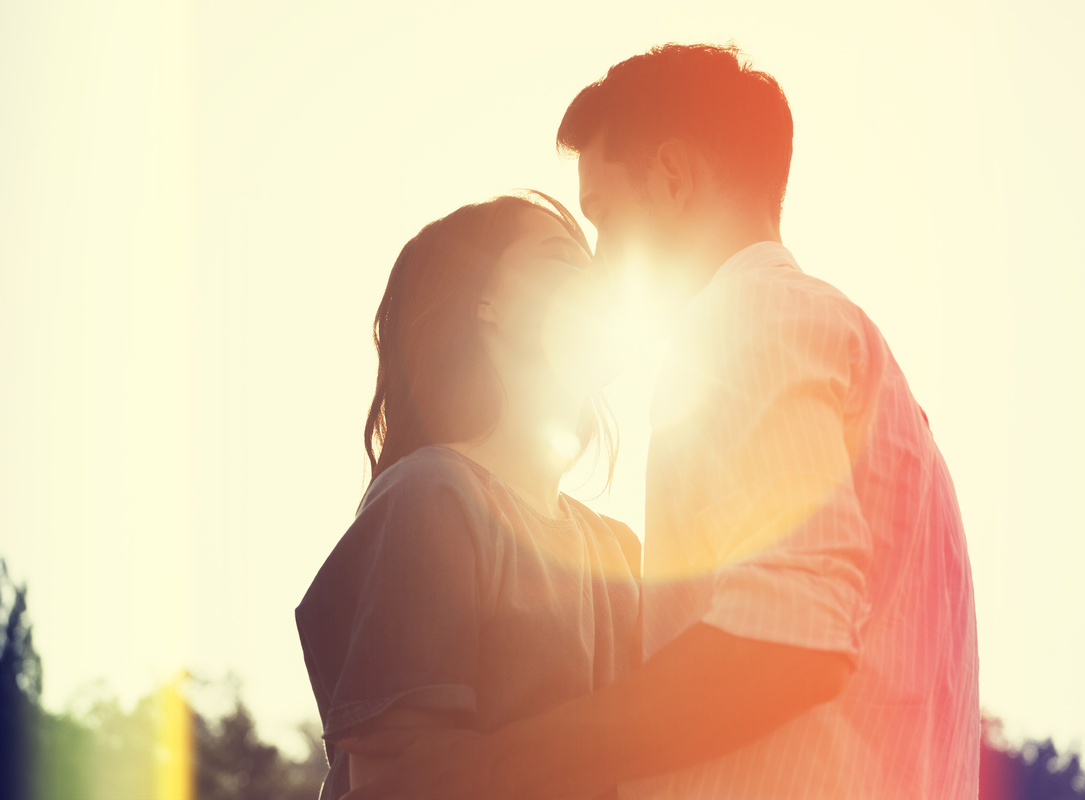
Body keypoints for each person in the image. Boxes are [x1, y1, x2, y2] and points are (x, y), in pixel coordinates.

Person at [340, 43, 980, 800]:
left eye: (604, 217)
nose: (603, 261)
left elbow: (788, 637)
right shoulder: (880, 381)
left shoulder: (751, 320)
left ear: (673, 176)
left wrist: (489, 767)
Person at [295, 192, 642, 800]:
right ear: (487, 306)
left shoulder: (618, 550)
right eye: (565, 257)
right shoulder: (432, 498)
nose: (600, 277)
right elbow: (401, 783)